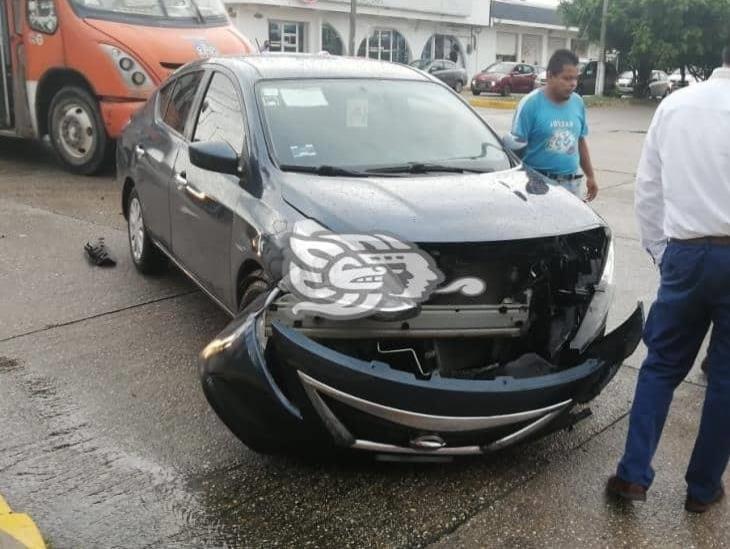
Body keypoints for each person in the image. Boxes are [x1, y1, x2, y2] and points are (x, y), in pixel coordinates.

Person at [606, 44, 730, 513]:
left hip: (686, 253)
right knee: (726, 381)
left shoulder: (676, 105)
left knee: (660, 366)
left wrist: (663, 251)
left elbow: (649, 188)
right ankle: (702, 490)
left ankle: (633, 474)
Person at [505, 49, 599, 201]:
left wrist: (590, 176)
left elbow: (580, 141)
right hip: (537, 186)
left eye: (575, 78)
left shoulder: (578, 103)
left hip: (572, 185)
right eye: (567, 78)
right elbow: (514, 150)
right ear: (549, 76)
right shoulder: (530, 104)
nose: (573, 84)